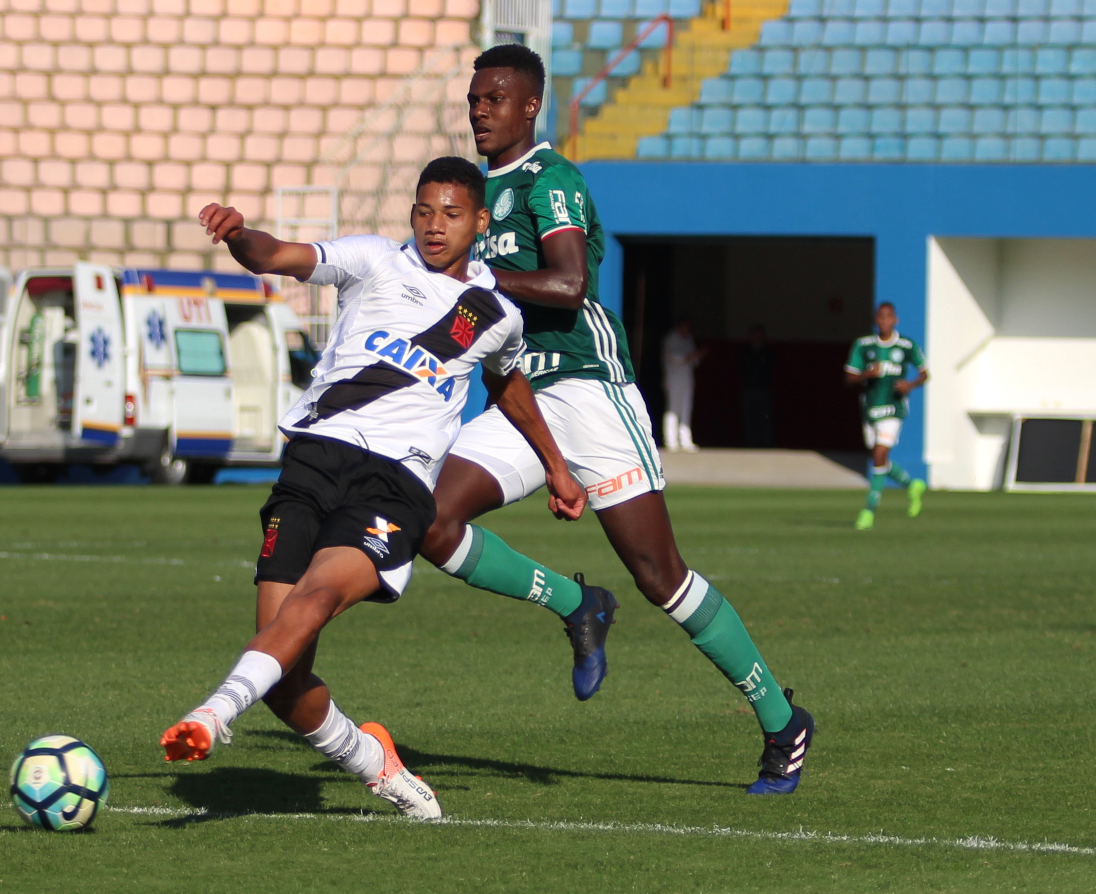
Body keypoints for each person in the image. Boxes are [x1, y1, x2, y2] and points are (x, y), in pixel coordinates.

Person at [418, 43, 815, 795]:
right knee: (429, 519)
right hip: (519, 397)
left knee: (660, 575)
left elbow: (570, 284)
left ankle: (781, 720)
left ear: (530, 105)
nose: (479, 110)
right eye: (473, 99)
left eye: (494, 98)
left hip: (589, 388)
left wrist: (477, 276)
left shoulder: (551, 178)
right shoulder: (466, 196)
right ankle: (579, 604)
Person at [159, 157, 587, 820]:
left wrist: (555, 466)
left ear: (480, 221)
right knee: (284, 676)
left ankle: (212, 714)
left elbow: (506, 383)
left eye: (451, 214)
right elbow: (276, 255)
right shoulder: (373, 260)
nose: (434, 225)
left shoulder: (496, 314)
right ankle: (372, 761)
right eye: (424, 211)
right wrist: (240, 235)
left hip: (395, 483)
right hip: (312, 463)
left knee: (317, 597)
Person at [845, 302, 928, 531]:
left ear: (895, 320)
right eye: (880, 317)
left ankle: (869, 511)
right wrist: (866, 374)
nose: (884, 321)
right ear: (875, 320)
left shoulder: (906, 345)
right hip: (871, 408)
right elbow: (849, 377)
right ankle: (911, 485)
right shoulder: (864, 345)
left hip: (894, 408)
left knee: (880, 454)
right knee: (878, 458)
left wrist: (909, 385)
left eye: (888, 317)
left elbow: (924, 373)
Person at [662, 319, 704, 452]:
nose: (687, 330)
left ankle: (685, 440)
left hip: (687, 378)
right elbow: (675, 358)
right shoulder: (671, 339)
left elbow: (694, 360)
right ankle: (671, 440)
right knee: (673, 409)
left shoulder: (689, 339)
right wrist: (693, 355)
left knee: (686, 408)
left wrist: (696, 356)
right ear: (680, 326)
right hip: (674, 379)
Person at [739, 323, 776, 448]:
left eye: (759, 335)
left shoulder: (768, 351)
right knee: (750, 418)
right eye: (754, 335)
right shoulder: (745, 351)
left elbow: (770, 369)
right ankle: (752, 445)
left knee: (765, 418)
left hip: (763, 389)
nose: (756, 337)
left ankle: (766, 445)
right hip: (749, 389)